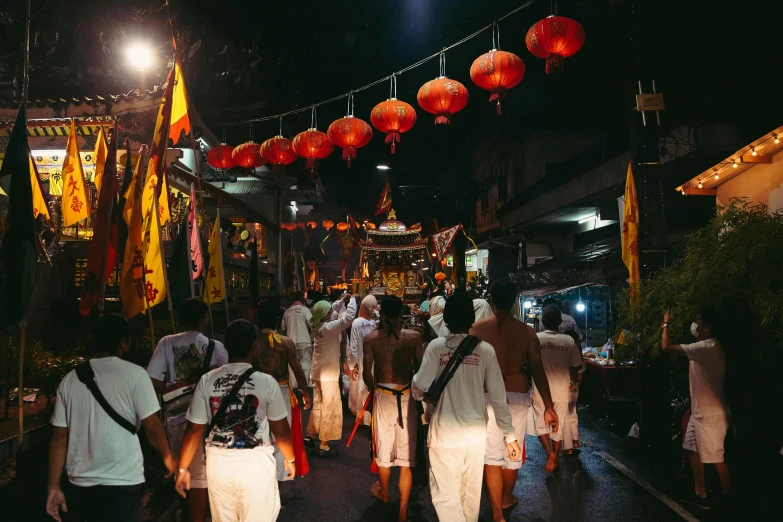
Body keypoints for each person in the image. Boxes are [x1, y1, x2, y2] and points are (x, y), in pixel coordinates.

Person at [47, 314, 177, 522]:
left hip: (81, 483)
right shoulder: (135, 375)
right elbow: (151, 427)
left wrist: (53, 486)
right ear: (124, 342)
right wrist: (169, 458)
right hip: (123, 480)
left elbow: (59, 437)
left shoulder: (70, 380)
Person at [412, 292, 521, 522]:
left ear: (446, 318)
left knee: (446, 497)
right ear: (472, 317)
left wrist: (418, 393)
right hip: (475, 436)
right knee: (470, 495)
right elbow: (499, 398)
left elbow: (420, 385)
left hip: (444, 435)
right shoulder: (485, 350)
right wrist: (510, 437)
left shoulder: (436, 347)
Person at [176, 320, 295, 522]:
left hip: (219, 463)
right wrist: (290, 459)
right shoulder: (266, 382)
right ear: (254, 347)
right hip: (255, 463)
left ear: (226, 345)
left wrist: (183, 468)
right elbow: (281, 431)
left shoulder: (207, 380)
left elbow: (194, 430)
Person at [470, 280, 558, 521]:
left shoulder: (476, 330)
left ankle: (497, 511)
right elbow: (538, 371)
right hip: (517, 395)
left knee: (491, 456)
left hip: (487, 395)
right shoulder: (526, 332)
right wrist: (549, 407)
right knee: (512, 452)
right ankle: (507, 498)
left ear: (492, 301)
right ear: (514, 300)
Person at [146, 298, 228, 522]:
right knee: (207, 467)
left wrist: (171, 388)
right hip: (209, 417)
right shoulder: (216, 347)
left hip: (176, 418)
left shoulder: (166, 343)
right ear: (204, 319)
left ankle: (188, 510)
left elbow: (152, 378)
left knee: (183, 468)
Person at [362, 296, 422, 521]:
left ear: (382, 313)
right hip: (406, 395)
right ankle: (403, 514)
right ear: (401, 313)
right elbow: (419, 370)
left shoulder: (371, 339)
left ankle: (385, 493)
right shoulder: (414, 337)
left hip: (383, 396)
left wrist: (375, 391)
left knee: (384, 451)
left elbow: (368, 374)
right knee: (406, 459)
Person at [662, 310, 729, 509]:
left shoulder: (706, 347)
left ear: (707, 328)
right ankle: (700, 494)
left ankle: (727, 499)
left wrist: (666, 324)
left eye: (698, 322)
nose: (695, 325)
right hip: (699, 412)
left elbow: (666, 347)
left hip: (710, 415)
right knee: (692, 450)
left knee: (716, 458)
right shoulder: (707, 346)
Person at [256, 299, 313, 480]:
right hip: (280, 392)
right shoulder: (286, 342)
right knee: (282, 433)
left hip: (257, 392)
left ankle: (264, 476)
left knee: (260, 433)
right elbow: (297, 370)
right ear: (278, 319)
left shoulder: (254, 343)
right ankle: (280, 475)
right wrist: (305, 391)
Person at [305, 294, 358, 456]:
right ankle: (324, 445)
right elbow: (349, 317)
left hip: (316, 373)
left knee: (319, 405)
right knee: (330, 408)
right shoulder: (329, 328)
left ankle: (310, 434)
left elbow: (332, 309)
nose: (331, 313)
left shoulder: (316, 324)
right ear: (325, 315)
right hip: (328, 375)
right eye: (328, 312)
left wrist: (342, 299)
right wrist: (353, 300)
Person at [532, 306, 582, 472]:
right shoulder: (568, 341)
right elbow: (576, 366)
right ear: (560, 323)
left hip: (540, 390)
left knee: (540, 424)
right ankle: (555, 453)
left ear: (542, 322)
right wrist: (572, 380)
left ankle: (549, 454)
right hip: (562, 389)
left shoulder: (535, 339)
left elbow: (529, 363)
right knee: (558, 425)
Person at [346, 295, 379, 425]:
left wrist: (350, 366)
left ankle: (363, 418)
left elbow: (353, 347)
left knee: (362, 387)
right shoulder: (379, 322)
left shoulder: (357, 322)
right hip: (377, 362)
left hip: (362, 361)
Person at [281, 291, 314, 387]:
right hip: (305, 342)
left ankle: (294, 388)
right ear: (302, 300)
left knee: (292, 366)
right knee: (306, 365)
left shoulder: (287, 312)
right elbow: (312, 325)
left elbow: (283, 328)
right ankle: (303, 386)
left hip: (291, 343)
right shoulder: (305, 310)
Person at [562, 329, 584, 454]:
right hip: (574, 389)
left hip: (564, 388)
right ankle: (575, 440)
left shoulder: (565, 353)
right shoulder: (576, 354)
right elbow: (580, 374)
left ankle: (567, 447)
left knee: (564, 416)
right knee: (572, 413)